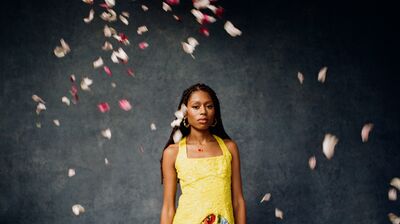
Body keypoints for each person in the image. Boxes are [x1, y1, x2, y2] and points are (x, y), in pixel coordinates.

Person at [160, 83, 247, 224]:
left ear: (215, 112)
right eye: (196, 107)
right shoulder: (172, 153)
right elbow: (168, 207)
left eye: (209, 106)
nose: (203, 112)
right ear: (185, 113)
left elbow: (238, 201)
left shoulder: (229, 148)